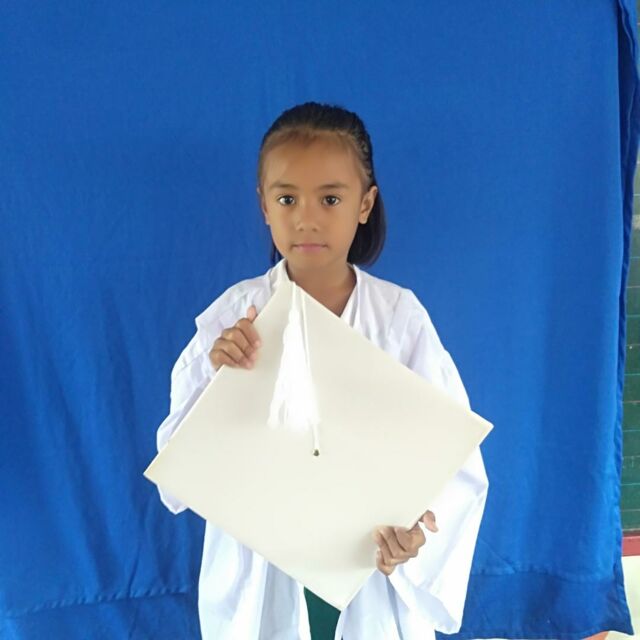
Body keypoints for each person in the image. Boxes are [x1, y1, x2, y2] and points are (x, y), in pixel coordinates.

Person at [155, 101, 489, 640]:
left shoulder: (398, 319)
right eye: (287, 198)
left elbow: (452, 457)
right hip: (262, 562)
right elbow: (177, 468)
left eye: (330, 198)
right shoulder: (236, 316)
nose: (306, 218)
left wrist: (415, 536)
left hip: (367, 562)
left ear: (365, 204)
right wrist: (217, 379)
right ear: (264, 205)